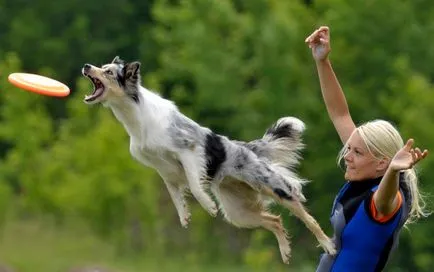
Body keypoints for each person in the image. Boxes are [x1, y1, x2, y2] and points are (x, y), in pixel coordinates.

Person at [305, 26, 430, 271]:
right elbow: (339, 113)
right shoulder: (367, 174)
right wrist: (323, 61)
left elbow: (384, 199)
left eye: (357, 153)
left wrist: (394, 172)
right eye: (349, 149)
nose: (347, 157)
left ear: (382, 163)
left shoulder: (386, 203)